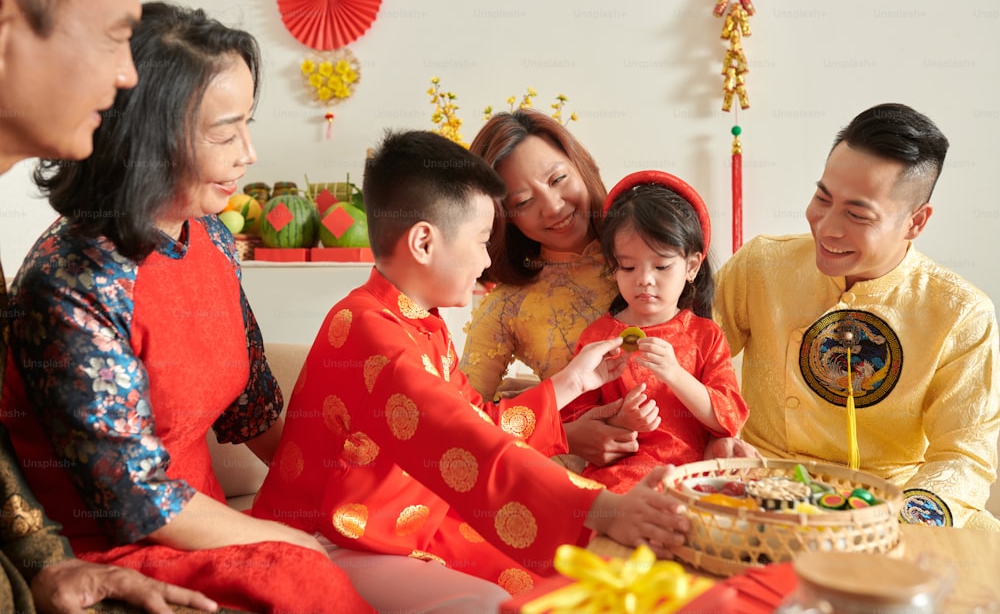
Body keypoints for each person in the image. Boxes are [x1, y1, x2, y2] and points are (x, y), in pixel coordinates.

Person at [1, 1, 372, 612]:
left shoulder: (213, 239)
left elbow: (252, 410)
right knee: (304, 582)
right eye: (225, 132)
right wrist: (287, 538)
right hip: (114, 547)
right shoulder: (72, 281)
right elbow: (137, 500)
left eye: (246, 124)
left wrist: (355, 488)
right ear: (148, 136)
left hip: (211, 523)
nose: (248, 152)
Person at [252, 130, 692, 611]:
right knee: (495, 603)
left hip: (411, 522)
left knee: (578, 579)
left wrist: (574, 382)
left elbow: (478, 417)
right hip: (339, 540)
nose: (487, 260)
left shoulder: (417, 322)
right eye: (483, 240)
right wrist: (603, 510)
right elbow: (467, 443)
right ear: (423, 242)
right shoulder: (372, 336)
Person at [0, 0, 217, 612]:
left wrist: (44, 562)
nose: (128, 76)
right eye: (114, 35)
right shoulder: (69, 274)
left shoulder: (214, 246)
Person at [714, 102, 1000, 530]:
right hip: (758, 481)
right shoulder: (762, 263)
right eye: (822, 198)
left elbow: (963, 454)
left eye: (857, 215)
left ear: (915, 222)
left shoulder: (961, 312)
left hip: (887, 501)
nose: (826, 227)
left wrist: (890, 521)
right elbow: (690, 351)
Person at [461, 109, 758, 468]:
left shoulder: (653, 246)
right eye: (523, 202)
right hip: (580, 486)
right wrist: (565, 437)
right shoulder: (506, 306)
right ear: (502, 217)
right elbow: (463, 422)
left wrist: (719, 441)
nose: (553, 207)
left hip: (688, 470)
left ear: (580, 166)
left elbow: (711, 371)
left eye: (557, 179)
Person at [564, 171, 749, 493]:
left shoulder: (705, 336)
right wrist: (619, 419)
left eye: (661, 266)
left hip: (695, 475)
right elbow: (573, 418)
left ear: (691, 266)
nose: (644, 279)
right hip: (624, 474)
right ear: (614, 266)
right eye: (628, 267)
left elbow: (728, 419)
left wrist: (675, 373)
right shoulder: (600, 336)